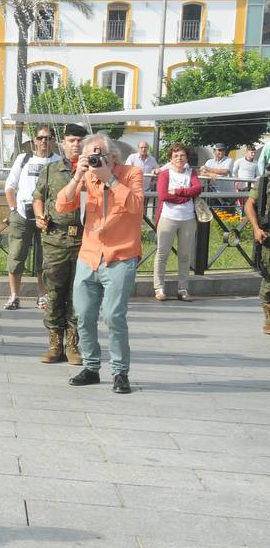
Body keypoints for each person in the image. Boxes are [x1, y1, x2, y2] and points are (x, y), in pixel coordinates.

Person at [56, 133, 144, 394]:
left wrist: (110, 178)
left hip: (120, 255)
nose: (95, 160)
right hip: (89, 255)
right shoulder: (86, 176)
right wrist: (77, 176)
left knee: (115, 316)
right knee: (83, 314)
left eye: (99, 155)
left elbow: (137, 206)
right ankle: (92, 367)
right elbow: (61, 205)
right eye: (90, 156)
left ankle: (120, 372)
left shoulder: (132, 173)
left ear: (113, 157)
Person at [32, 123, 87, 365]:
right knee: (54, 292)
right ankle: (55, 344)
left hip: (85, 241)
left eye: (80, 140)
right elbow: (38, 197)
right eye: (71, 140)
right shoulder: (50, 170)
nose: (76, 144)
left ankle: (73, 345)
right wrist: (39, 215)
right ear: (62, 143)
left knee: (79, 295)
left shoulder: (95, 170)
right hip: (55, 238)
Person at [3, 126, 59, 310]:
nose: (45, 141)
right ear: (34, 140)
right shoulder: (23, 159)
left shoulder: (59, 161)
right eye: (41, 138)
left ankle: (42, 296)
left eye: (49, 138)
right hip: (22, 213)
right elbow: (10, 186)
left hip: (48, 215)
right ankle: (13, 295)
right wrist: (13, 209)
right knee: (16, 254)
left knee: (45, 257)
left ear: (53, 141)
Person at [153, 143, 202, 302]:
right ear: (170, 158)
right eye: (176, 156)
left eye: (182, 156)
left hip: (188, 219)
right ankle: (159, 288)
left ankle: (182, 289)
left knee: (185, 255)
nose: (179, 159)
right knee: (162, 254)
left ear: (187, 158)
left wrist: (178, 192)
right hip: (168, 217)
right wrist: (185, 197)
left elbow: (197, 189)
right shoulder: (165, 174)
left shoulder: (191, 172)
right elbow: (163, 196)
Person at [244, 175, 270, 335]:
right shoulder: (264, 182)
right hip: (268, 235)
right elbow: (249, 205)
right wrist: (256, 228)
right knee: (269, 278)